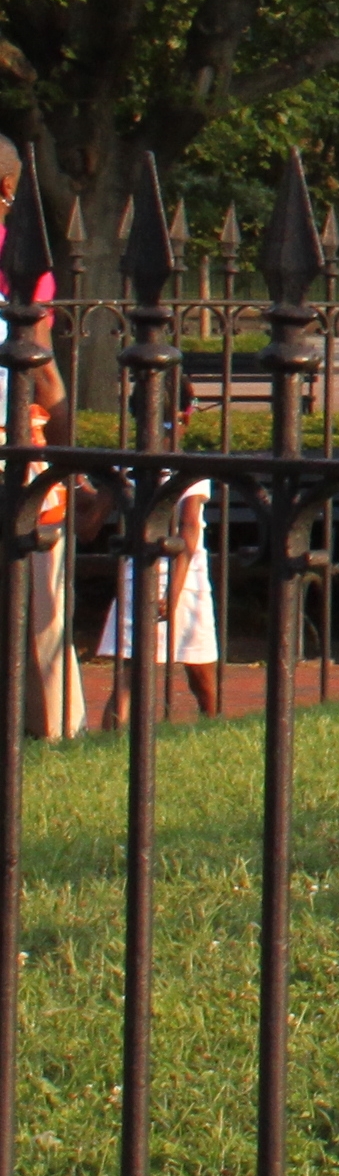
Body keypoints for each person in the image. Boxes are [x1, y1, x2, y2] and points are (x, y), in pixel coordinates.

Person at [0, 138, 68, 739]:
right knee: (41, 593)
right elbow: (43, 367)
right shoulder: (21, 259)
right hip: (19, 437)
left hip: (18, 435)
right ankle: (51, 724)